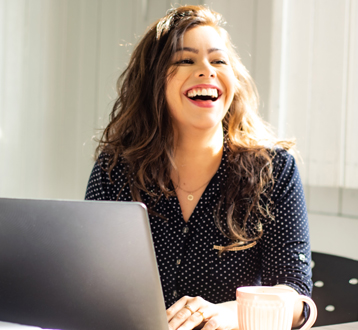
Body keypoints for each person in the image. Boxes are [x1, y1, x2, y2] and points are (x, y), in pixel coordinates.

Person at [85, 5, 312, 330]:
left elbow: (296, 298)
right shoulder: (115, 169)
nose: (207, 70)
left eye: (219, 61)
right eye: (185, 60)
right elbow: (87, 282)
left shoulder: (274, 171)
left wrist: (229, 313)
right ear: (154, 82)